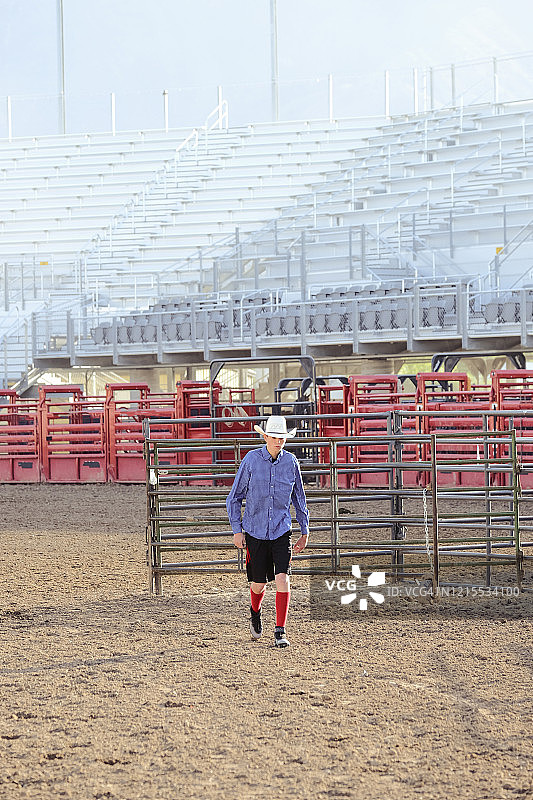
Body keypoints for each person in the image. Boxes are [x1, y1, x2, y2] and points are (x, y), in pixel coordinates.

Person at [226, 415, 309, 648]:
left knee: (283, 578)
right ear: (265, 437)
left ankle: (280, 630)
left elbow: (299, 498)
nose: (278, 441)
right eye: (273, 437)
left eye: (281, 438)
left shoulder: (291, 463)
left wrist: (305, 530)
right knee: (258, 583)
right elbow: (234, 497)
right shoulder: (251, 461)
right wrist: (237, 530)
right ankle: (255, 610)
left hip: (281, 530)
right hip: (255, 530)